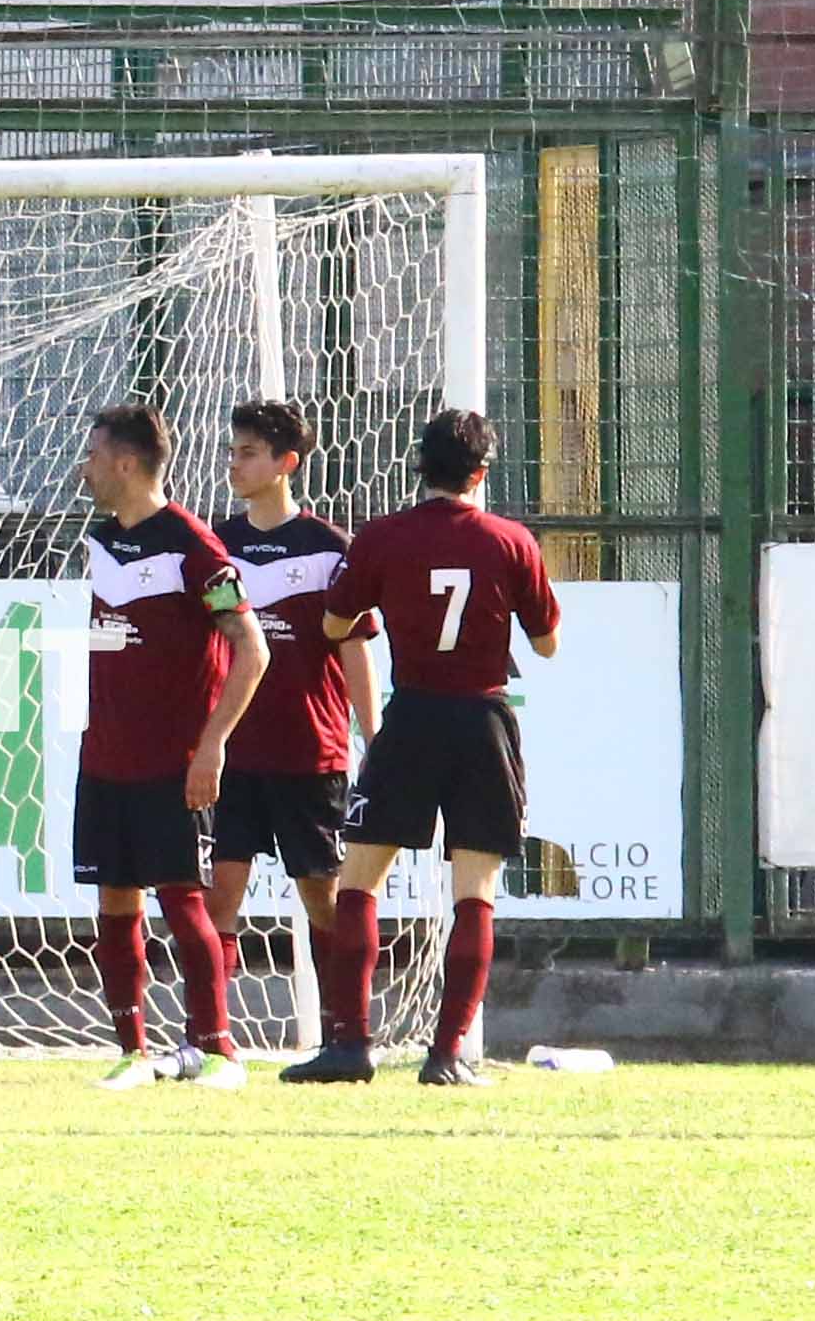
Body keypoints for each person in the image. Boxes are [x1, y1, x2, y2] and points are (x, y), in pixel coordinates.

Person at [304, 406, 564, 1089]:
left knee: (359, 880)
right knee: (474, 891)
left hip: (412, 716)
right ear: (482, 472)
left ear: (420, 466)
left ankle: (349, 1044)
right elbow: (546, 644)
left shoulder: (383, 537)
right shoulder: (511, 541)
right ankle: (447, 1055)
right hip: (482, 722)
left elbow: (334, 623)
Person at [76, 403, 265, 1091]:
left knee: (183, 898)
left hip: (173, 759)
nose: (84, 468)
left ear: (126, 464)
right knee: (114, 901)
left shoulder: (194, 547)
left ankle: (219, 1051)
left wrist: (213, 747)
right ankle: (133, 1052)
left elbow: (253, 650)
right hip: (106, 754)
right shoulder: (101, 540)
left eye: (93, 455)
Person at [199, 397, 374, 1039]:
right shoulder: (218, 546)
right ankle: (211, 1038)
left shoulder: (329, 548)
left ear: (286, 463)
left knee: (323, 898)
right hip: (234, 755)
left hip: (311, 752)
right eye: (233, 452)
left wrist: (374, 740)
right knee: (220, 895)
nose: (234, 464)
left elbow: (354, 650)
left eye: (248, 453)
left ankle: (343, 1031)